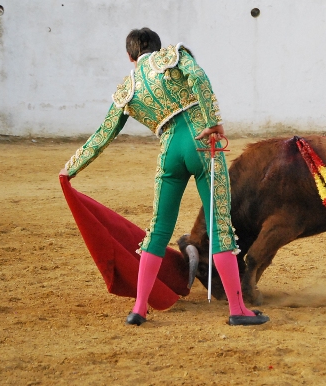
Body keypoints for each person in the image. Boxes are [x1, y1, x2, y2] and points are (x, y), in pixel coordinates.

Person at [59, 28, 269, 327]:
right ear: (157, 48)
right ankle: (237, 310)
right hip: (201, 143)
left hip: (169, 151)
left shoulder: (127, 89)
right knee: (220, 226)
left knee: (157, 231)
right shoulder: (173, 56)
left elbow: (103, 134)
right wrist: (214, 123)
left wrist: (71, 167)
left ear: (130, 57)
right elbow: (198, 78)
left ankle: (140, 309)